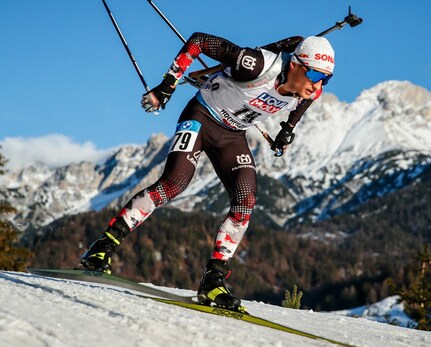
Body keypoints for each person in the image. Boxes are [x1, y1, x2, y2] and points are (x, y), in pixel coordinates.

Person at [80, 33, 335, 311]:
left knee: (245, 201)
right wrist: (167, 86)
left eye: (326, 78)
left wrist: (287, 130)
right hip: (201, 117)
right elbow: (199, 40)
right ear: (296, 65)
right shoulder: (257, 65)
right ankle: (102, 247)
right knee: (174, 184)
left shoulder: (311, 89)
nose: (318, 83)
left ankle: (213, 281)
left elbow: (302, 104)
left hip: (232, 135)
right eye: (313, 73)